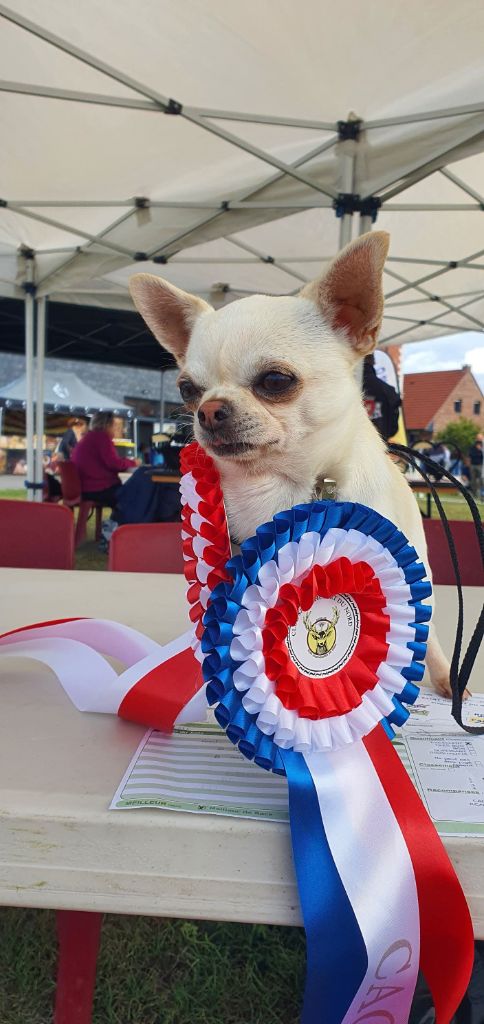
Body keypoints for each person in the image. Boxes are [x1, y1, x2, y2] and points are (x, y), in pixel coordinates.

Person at [71, 411, 139, 508]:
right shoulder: (102, 437)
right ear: (107, 424)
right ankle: (121, 521)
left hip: (85, 487)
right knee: (137, 492)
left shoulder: (88, 438)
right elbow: (114, 464)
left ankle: (116, 519)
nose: (115, 429)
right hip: (98, 489)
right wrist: (134, 462)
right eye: (113, 425)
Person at [362, 354, 401, 441]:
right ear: (373, 361)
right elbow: (393, 428)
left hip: (352, 448)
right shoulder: (387, 390)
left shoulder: (346, 389)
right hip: (380, 447)